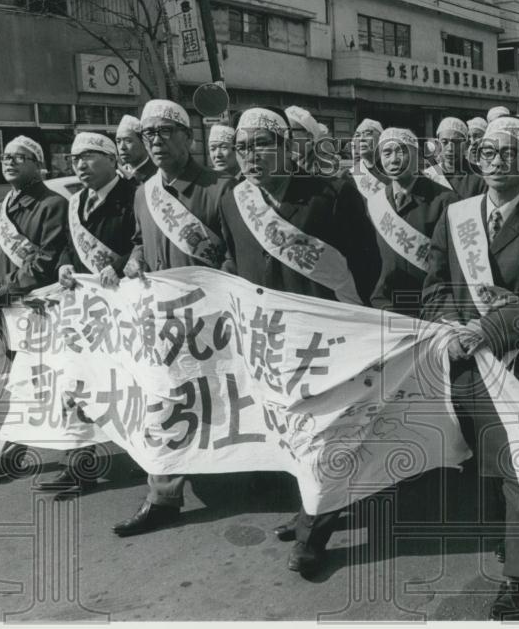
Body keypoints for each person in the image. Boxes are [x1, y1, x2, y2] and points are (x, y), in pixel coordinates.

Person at [422, 116, 519, 619]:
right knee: (485, 463)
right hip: (462, 367)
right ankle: (505, 540)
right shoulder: (456, 214)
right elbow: (435, 284)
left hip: (516, 365)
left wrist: (487, 332)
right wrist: (448, 328)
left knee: (517, 471)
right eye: (487, 152)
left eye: (508, 153)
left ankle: (518, 580)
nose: (495, 161)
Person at [217, 106, 378, 574]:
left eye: (261, 145)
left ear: (288, 147)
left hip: (325, 337)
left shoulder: (330, 194)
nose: (250, 156)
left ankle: (313, 532)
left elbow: (365, 262)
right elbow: (233, 260)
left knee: (325, 431)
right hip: (269, 341)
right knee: (290, 432)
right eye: (242, 147)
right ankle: (310, 503)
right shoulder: (233, 198)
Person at [113, 99, 229, 537]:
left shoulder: (221, 189)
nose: (156, 141)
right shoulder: (144, 193)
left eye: (164, 131)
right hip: (162, 324)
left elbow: (236, 258)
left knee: (228, 401)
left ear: (187, 136)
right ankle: (162, 496)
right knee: (164, 405)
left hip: (213, 322)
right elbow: (141, 243)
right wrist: (134, 262)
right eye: (148, 134)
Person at [39, 132, 138, 492]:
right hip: (87, 311)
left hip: (128, 309)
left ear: (112, 159)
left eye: (89, 156)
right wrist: (64, 265)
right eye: (75, 157)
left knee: (130, 386)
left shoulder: (135, 195)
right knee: (79, 383)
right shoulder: (75, 201)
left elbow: (142, 244)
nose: (79, 164)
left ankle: (145, 456)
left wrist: (124, 264)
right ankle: (81, 463)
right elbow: (68, 245)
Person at [0, 136, 68, 476]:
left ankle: (80, 455)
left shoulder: (52, 204)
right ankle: (11, 452)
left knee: (57, 381)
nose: (9, 161)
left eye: (19, 157)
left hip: (39, 308)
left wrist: (7, 288)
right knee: (23, 381)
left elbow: (46, 260)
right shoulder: (4, 204)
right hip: (10, 310)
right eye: (6, 156)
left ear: (37, 164)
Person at [370, 127, 458, 315]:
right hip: (386, 306)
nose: (394, 159)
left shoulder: (444, 200)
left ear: (417, 156)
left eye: (401, 151)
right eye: (387, 152)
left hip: (431, 308)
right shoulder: (376, 202)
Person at [426, 117, 483, 199]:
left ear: (466, 145)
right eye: (444, 142)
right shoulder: (429, 176)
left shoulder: (478, 177)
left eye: (456, 142)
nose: (450, 148)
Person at [115, 115, 158, 188]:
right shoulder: (116, 175)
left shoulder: (157, 173)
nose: (122, 147)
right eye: (118, 141)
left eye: (128, 141)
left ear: (144, 143)